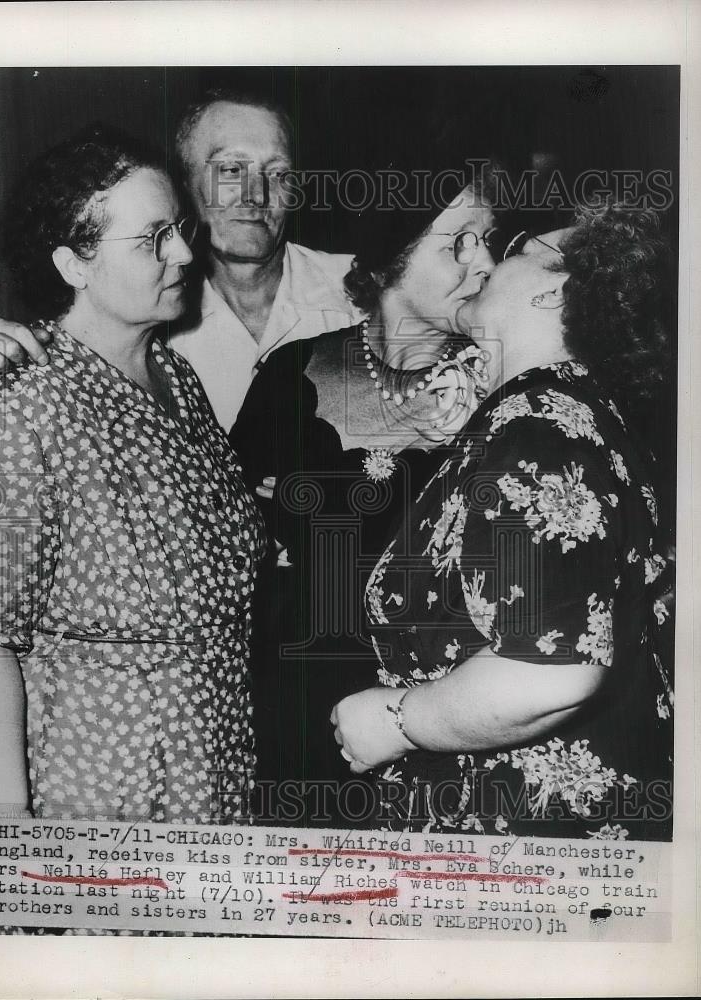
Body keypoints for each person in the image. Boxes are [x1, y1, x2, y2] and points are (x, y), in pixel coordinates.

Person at [331, 202, 674, 840]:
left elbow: (550, 670)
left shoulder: (537, 427)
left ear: (557, 290)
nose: (489, 260)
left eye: (516, 247)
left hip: (520, 837)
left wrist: (396, 721)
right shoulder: (568, 415)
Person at [0, 123, 266, 834]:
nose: (186, 254)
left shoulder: (177, 379)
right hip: (92, 797)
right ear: (73, 263)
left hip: (209, 778)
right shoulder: (23, 403)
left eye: (179, 229)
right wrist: (10, 842)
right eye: (151, 238)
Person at [229, 180, 501, 824]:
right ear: (388, 260)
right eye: (458, 243)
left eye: (487, 241)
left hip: (439, 714)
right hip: (294, 704)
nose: (484, 263)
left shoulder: (502, 390)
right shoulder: (291, 372)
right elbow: (228, 533)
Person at [0, 89, 364, 431]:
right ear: (182, 184)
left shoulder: (365, 293)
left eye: (279, 174)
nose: (257, 194)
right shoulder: (141, 309)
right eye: (230, 170)